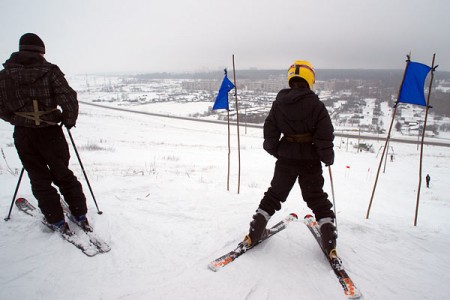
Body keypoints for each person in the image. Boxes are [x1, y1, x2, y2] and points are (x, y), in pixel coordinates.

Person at [245, 60, 337, 257]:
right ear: (310, 78)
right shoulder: (317, 106)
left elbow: (270, 132)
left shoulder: (279, 103)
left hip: (286, 157)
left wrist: (279, 150)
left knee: (275, 194)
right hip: (310, 160)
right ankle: (329, 238)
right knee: (316, 197)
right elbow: (325, 136)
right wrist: (327, 158)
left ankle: (256, 230)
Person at [0, 33, 89, 234]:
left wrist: (16, 118)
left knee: (38, 177)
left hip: (24, 135)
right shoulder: (50, 71)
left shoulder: (4, 76)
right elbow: (68, 98)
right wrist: (68, 120)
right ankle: (80, 214)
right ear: (41, 52)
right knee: (63, 173)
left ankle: (55, 219)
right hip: (51, 132)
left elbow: (0, 106)